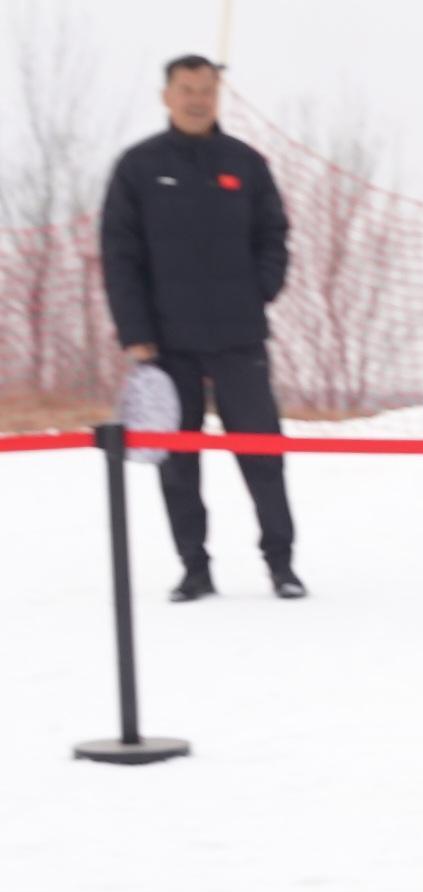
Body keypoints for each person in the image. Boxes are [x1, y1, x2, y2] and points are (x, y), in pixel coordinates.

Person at [100, 54, 298, 602]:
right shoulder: (138, 167)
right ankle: (194, 568)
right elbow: (119, 256)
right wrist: (136, 333)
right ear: (167, 96)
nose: (196, 100)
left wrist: (258, 292)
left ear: (217, 96)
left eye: (206, 90)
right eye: (186, 89)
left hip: (239, 338)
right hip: (166, 345)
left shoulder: (245, 163)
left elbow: (274, 236)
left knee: (263, 455)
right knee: (177, 464)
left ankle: (281, 564)